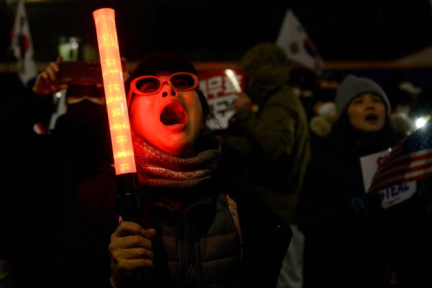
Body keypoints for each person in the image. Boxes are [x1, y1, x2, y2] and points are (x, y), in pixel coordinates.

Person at [57, 51, 292, 288]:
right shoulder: (94, 200)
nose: (169, 90)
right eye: (148, 86)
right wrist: (112, 280)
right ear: (127, 116)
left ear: (202, 112)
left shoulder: (240, 198)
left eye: (183, 82)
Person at [297, 74, 406, 288]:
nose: (369, 106)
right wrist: (347, 211)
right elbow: (306, 219)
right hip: (339, 271)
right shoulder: (326, 156)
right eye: (359, 102)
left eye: (376, 100)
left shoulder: (402, 154)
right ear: (345, 112)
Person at [216, 42, 310, 288]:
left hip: (281, 209)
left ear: (260, 74)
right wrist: (226, 141)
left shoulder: (280, 103)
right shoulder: (279, 99)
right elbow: (259, 146)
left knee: (285, 280)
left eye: (250, 73)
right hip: (280, 207)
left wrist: (245, 114)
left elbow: (274, 148)